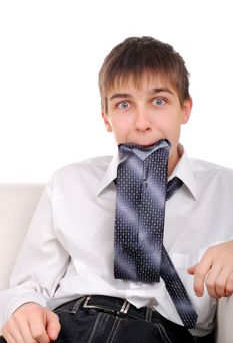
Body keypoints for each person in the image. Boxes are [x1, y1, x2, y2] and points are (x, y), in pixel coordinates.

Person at [1, 36, 233, 343]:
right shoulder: (70, 183)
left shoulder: (226, 190)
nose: (141, 123)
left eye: (159, 102)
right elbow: (27, 285)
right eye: (124, 105)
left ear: (185, 110)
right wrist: (25, 306)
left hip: (163, 333)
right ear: (106, 118)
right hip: (67, 326)